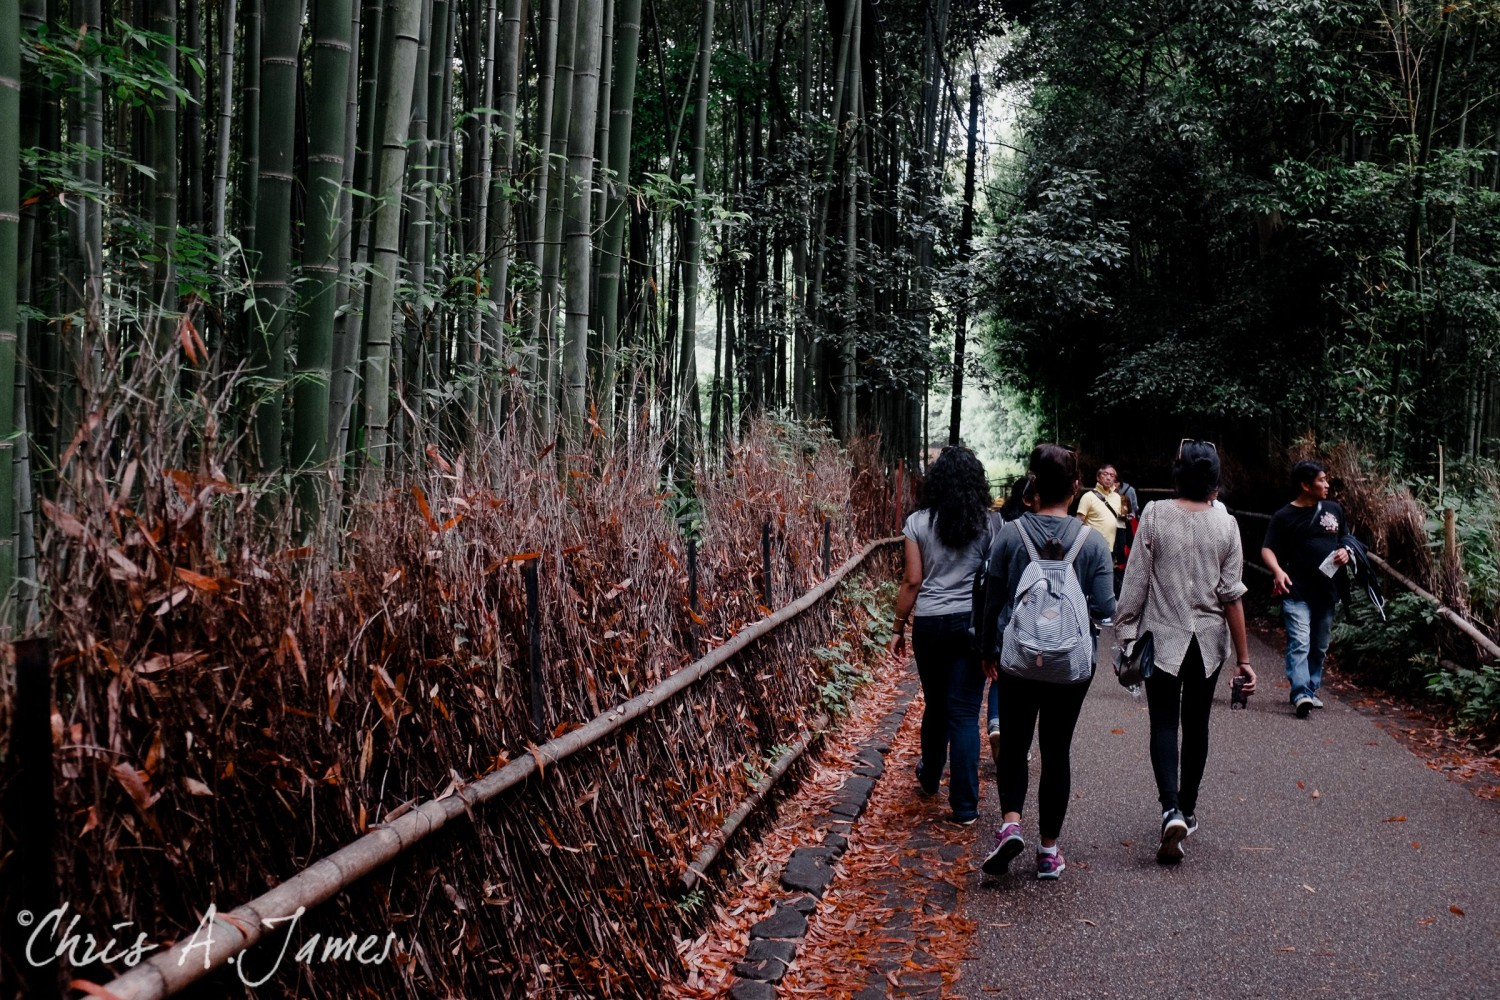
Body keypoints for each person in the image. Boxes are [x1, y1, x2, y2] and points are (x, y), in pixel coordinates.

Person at [1114, 439, 1257, 863]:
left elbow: (1136, 582)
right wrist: (1245, 659)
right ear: (1215, 481)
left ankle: (1170, 808)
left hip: (1163, 639)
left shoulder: (1155, 514)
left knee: (1163, 723)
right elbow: (1232, 595)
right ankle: (1188, 810)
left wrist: (1125, 634)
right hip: (1209, 644)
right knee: (1197, 725)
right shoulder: (1227, 526)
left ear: (1178, 476)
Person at [977, 444, 1115, 880]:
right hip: (1071, 665)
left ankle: (1011, 824)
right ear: (1076, 488)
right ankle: (1049, 852)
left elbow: (991, 597)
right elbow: (1106, 606)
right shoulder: (1092, 542)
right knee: (1057, 751)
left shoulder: (1010, 534)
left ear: (1033, 485)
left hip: (1017, 658)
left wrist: (987, 650)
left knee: (1015, 746)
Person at [890, 446, 994, 825]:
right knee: (965, 713)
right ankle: (965, 807)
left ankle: (930, 778)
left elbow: (912, 581)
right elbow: (993, 580)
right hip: (970, 623)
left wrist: (898, 627)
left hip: (931, 623)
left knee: (935, 704)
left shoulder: (918, 523)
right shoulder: (988, 524)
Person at [1260, 458, 1351, 718]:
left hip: (1327, 590)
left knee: (1319, 645)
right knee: (1300, 641)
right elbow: (1267, 548)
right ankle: (1300, 693)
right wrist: (1278, 571)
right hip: (1296, 589)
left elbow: (1345, 536)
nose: (1327, 484)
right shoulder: (1284, 516)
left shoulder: (1334, 509)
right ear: (1305, 485)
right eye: (1321, 480)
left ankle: (1311, 688)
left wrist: (1345, 550)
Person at [986, 478, 1035, 762]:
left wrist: (986, 639)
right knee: (1027, 685)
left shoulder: (1003, 526)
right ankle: (1021, 743)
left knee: (1001, 679)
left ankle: (996, 724)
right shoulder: (1037, 530)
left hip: (1004, 614)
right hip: (1034, 614)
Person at [1077, 463, 1130, 599]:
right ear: (1098, 477)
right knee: (1088, 577)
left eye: (1112, 475)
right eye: (1105, 474)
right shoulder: (1088, 497)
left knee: (1104, 579)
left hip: (1110, 548)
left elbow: (1120, 522)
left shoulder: (1118, 498)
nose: (1108, 478)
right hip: (1090, 547)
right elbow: (1079, 522)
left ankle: (1101, 611)